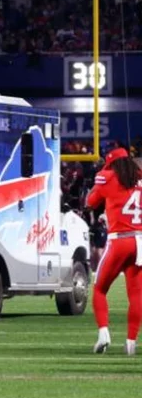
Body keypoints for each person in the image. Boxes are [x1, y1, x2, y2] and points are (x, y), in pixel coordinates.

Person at [87, 148, 142, 355]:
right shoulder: (139, 178)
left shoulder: (107, 177)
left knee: (100, 289)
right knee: (136, 294)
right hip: (140, 241)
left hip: (120, 241)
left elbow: (90, 202)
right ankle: (131, 342)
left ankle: (104, 333)